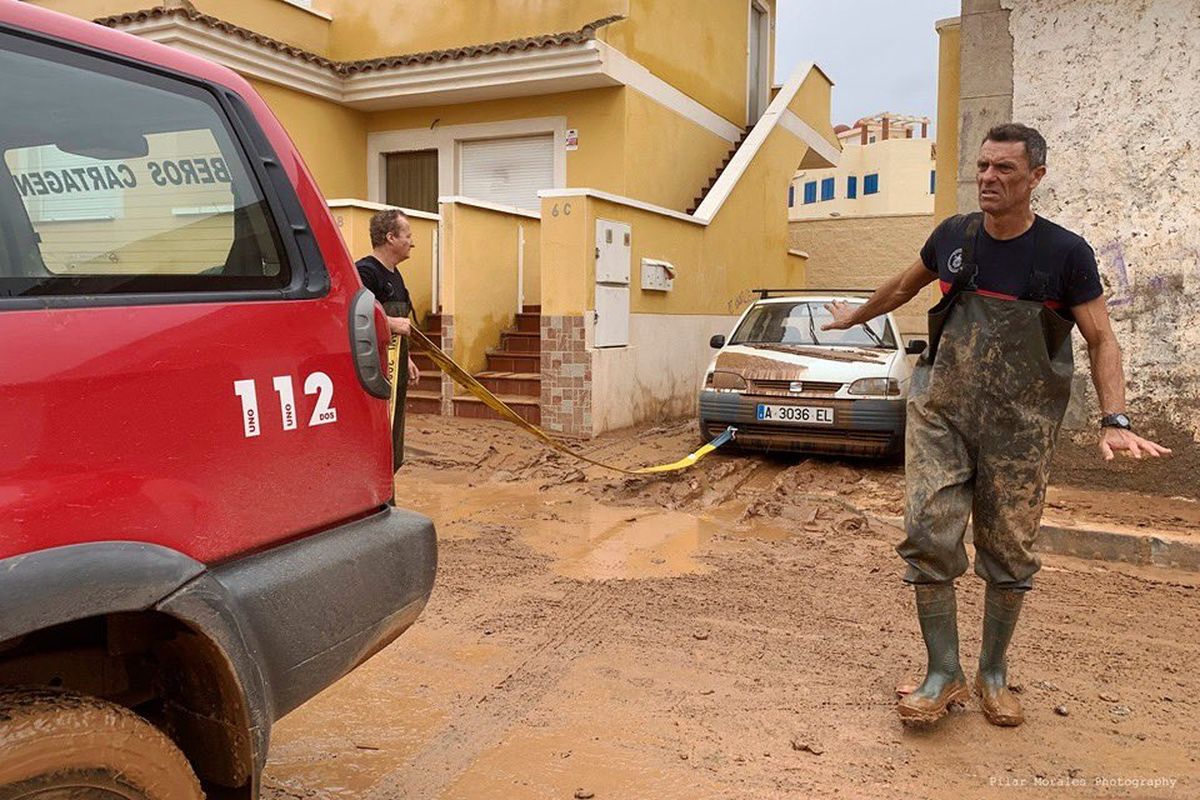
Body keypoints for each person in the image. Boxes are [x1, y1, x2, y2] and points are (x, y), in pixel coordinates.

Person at [822, 123, 1170, 727]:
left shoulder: (1065, 254)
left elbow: (1101, 338)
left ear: (1035, 178)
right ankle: (942, 673)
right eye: (983, 166)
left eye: (1004, 169)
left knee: (1009, 550)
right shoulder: (954, 236)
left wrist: (1115, 417)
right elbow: (905, 285)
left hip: (1021, 428)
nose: (988, 178)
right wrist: (855, 315)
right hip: (942, 412)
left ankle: (992, 673)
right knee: (928, 531)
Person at [356, 208, 420, 385]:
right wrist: (391, 323)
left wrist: (406, 359)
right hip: (373, 373)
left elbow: (401, 327)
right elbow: (353, 315)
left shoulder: (395, 275)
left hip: (395, 369)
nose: (412, 243)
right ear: (391, 237)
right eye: (407, 236)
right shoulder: (365, 273)